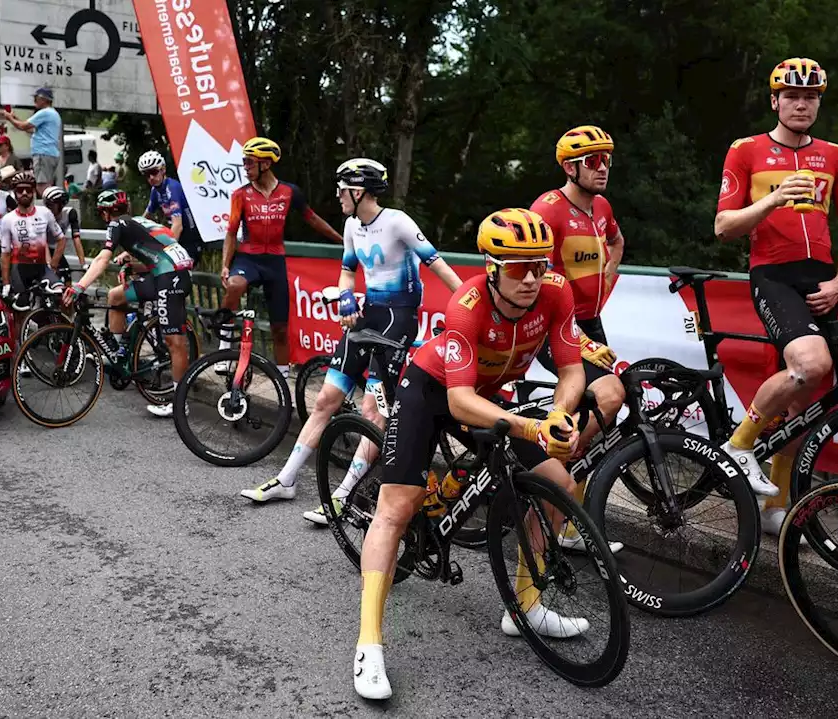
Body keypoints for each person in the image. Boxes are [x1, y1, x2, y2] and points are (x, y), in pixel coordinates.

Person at [351, 209, 592, 701]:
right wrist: (531, 424)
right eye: (517, 266)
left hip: (485, 395)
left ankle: (524, 606)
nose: (530, 278)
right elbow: (459, 402)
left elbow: (571, 371)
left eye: (539, 265)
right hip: (431, 389)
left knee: (560, 486)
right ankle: (369, 645)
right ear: (490, 266)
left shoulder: (555, 293)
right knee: (397, 507)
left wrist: (560, 417)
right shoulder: (468, 304)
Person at [239, 159, 462, 511]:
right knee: (327, 398)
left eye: (342, 190)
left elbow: (438, 266)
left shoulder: (397, 222)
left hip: (397, 321)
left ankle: (344, 495)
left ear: (359, 191)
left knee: (374, 410)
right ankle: (287, 479)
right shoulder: (351, 225)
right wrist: (346, 297)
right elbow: (347, 271)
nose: (338, 196)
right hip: (368, 315)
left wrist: (470, 304)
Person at [714, 57, 838, 531]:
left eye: (811, 96)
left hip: (820, 279)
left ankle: (774, 506)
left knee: (805, 402)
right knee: (810, 366)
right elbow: (723, 227)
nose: (801, 103)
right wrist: (774, 199)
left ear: (818, 103)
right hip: (774, 275)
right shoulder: (746, 150)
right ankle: (739, 445)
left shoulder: (835, 155)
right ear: (775, 101)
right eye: (792, 95)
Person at [528, 125, 629, 549]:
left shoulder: (601, 205)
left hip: (589, 320)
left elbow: (617, 240)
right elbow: (538, 280)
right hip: (556, 325)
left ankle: (566, 517)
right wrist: (576, 336)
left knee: (600, 416)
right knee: (609, 396)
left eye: (606, 158)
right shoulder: (548, 209)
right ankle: (549, 478)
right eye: (592, 160)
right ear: (570, 167)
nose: (602, 167)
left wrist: (609, 273)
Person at [221, 137, 345, 376]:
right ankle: (224, 343)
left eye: (249, 162)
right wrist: (225, 266)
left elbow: (312, 219)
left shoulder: (289, 192)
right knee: (235, 285)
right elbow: (230, 232)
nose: (245, 167)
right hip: (248, 257)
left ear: (265, 164)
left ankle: (282, 378)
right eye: (244, 162)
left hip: (275, 261)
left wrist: (342, 240)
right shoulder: (241, 195)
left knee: (280, 328)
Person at [63, 190, 194, 417]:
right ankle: (118, 353)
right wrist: (130, 263)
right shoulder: (138, 222)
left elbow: (103, 258)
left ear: (106, 212)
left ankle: (180, 403)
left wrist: (80, 285)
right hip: (170, 271)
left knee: (174, 341)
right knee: (116, 296)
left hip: (170, 277)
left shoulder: (116, 224)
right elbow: (158, 252)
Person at [0, 171, 62, 338]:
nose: (25, 193)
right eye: (20, 190)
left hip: (41, 267)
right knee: (21, 310)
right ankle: (21, 350)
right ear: (14, 192)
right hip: (19, 269)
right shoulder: (8, 219)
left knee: (59, 294)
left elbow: (61, 239)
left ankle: (58, 337)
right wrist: (6, 283)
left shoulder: (45, 213)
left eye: (28, 189)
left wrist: (53, 264)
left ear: (34, 191)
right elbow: (5, 253)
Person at [140, 150, 204, 261]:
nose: (150, 177)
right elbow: (145, 218)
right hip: (178, 239)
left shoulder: (172, 188)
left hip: (190, 242)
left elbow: (178, 226)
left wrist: (165, 252)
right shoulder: (155, 190)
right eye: (146, 174)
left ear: (163, 170)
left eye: (154, 172)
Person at [4, 88, 63, 192]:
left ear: (43, 99)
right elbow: (31, 129)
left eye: (36, 98)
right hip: (50, 153)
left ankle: (49, 206)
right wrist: (15, 118)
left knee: (41, 186)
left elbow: (23, 126)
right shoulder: (54, 114)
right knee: (47, 184)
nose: (34, 101)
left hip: (42, 153)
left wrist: (10, 118)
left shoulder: (44, 113)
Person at [42, 186, 85, 282]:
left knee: (66, 275)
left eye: (51, 205)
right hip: (42, 249)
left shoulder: (70, 213)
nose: (48, 208)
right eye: (47, 205)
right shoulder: (43, 215)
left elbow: (76, 239)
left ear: (61, 205)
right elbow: (43, 242)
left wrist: (83, 264)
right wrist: (50, 264)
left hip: (56, 248)